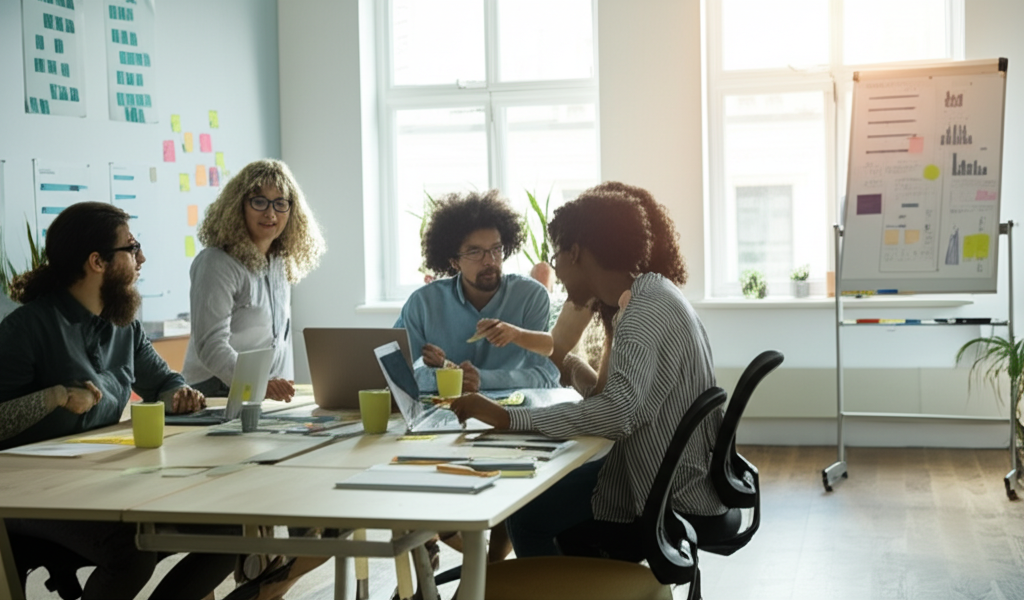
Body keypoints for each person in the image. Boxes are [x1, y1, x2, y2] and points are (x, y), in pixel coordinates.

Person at [451, 183, 730, 558]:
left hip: (664, 492)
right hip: (678, 474)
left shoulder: (642, 312)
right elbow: (625, 399)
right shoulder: (654, 293)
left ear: (576, 252)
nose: (559, 273)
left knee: (526, 516)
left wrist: (507, 418)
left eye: (557, 257)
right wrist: (570, 367)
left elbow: (616, 413)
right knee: (549, 487)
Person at [0, 202, 234, 599]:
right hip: (27, 494)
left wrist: (179, 393)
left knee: (229, 532)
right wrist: (53, 397)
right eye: (132, 247)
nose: (141, 257)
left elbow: (163, 380)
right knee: (131, 550)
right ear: (97, 261)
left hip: (100, 479)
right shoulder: (26, 329)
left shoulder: (123, 324)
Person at [475, 181, 688, 399]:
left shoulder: (635, 307)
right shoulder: (657, 292)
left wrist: (509, 410)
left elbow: (612, 407)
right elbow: (556, 350)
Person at [182, 159, 326, 402]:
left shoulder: (279, 261)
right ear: (239, 206)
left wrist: (282, 392)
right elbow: (211, 346)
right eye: (259, 201)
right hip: (214, 391)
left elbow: (280, 340)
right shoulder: (215, 263)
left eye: (280, 203)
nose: (270, 213)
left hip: (261, 390)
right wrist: (261, 384)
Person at [395, 189, 560, 394]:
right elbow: (398, 372)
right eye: (475, 252)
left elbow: (545, 375)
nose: (490, 260)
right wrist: (450, 375)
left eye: (496, 249)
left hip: (515, 416)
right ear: (454, 261)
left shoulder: (531, 297)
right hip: (443, 415)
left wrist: (481, 379)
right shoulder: (423, 304)